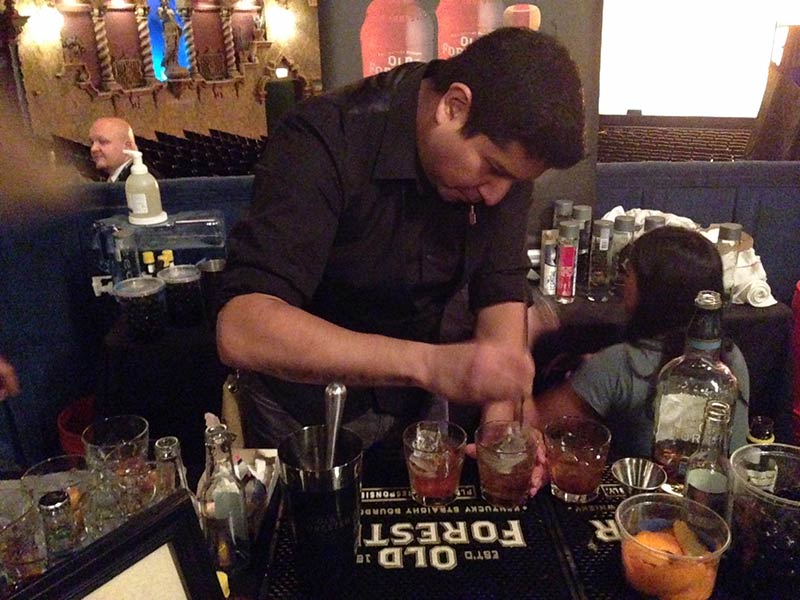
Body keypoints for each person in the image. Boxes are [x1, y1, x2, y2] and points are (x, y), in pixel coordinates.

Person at [216, 27, 585, 492]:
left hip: (418, 405)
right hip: (305, 408)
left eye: (513, 181)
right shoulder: (323, 136)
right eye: (492, 169)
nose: (497, 196)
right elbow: (242, 329)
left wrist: (499, 418)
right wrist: (433, 366)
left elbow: (501, 288)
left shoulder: (499, 171)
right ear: (453, 107)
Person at [525, 226, 750, 459]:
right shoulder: (731, 357)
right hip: (725, 482)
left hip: (643, 483)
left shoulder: (621, 365)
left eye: (629, 271)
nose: (622, 279)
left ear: (652, 290)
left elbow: (530, 424)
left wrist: (526, 338)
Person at [88, 117, 139, 182]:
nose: (93, 149)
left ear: (127, 146)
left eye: (103, 141)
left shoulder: (139, 181)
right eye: (92, 143)